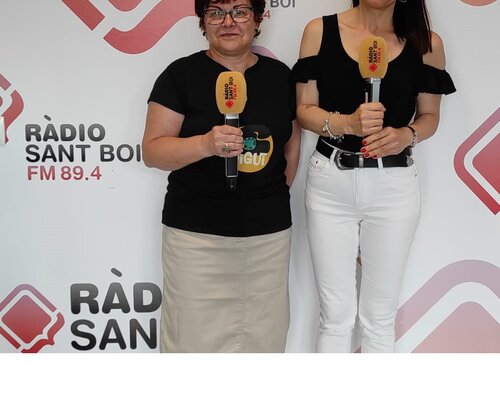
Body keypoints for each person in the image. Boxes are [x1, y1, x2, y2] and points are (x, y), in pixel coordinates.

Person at [293, 0, 455, 352]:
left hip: (393, 187)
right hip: (330, 182)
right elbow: (304, 110)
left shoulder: (427, 43)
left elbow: (429, 116)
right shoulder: (319, 31)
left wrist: (406, 135)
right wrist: (345, 123)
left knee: (379, 320)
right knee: (334, 317)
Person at [142, 0, 300, 352]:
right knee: (192, 342)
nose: (228, 21)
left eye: (240, 11)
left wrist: (266, 199)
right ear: (203, 22)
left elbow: (290, 148)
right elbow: (152, 151)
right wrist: (205, 144)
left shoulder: (280, 77)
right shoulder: (180, 75)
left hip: (267, 239)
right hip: (196, 240)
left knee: (263, 341)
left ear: (257, 19)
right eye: (215, 12)